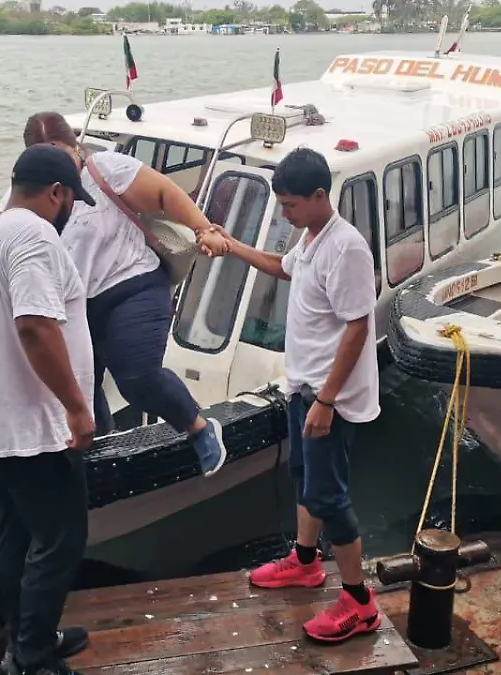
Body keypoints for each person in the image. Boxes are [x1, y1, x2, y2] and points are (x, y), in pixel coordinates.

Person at [201, 147, 383, 643]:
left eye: (290, 205)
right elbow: (284, 267)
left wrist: (326, 401)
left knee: (330, 495)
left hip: (331, 397)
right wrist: (232, 245)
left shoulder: (346, 248)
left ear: (321, 196)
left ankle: (360, 603)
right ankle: (305, 562)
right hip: (303, 386)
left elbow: (357, 328)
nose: (284, 214)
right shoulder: (311, 238)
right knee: (304, 477)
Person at [18, 111, 232, 477]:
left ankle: (200, 428)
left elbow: (165, 192)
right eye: (44, 156)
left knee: (137, 378)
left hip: (131, 285)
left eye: (59, 152)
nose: (55, 164)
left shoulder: (104, 169)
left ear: (75, 147)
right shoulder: (37, 195)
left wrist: (203, 229)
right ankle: (101, 453)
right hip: (75, 303)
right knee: (79, 387)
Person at [0, 144, 99, 675]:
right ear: (57, 193)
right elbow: (34, 325)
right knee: (61, 540)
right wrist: (77, 408)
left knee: (18, 535)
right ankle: (33, 657)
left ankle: (25, 640)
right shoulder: (34, 235)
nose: (68, 213)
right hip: (34, 427)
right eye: (70, 201)